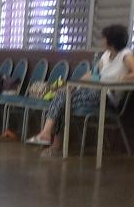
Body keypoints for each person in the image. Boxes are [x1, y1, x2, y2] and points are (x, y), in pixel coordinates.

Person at [26, 24, 134, 155]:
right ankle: (48, 136)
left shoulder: (125, 55)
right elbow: (92, 73)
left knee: (63, 101)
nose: (101, 40)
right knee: (63, 96)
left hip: (107, 98)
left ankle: (51, 140)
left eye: (104, 38)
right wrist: (74, 85)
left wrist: (122, 78)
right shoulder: (106, 55)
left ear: (112, 40)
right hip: (93, 93)